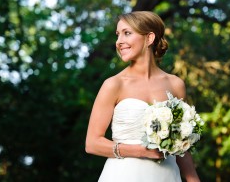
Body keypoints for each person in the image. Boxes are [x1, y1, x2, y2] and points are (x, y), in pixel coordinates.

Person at [85, 11, 200, 182]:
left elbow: (183, 147)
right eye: (118, 35)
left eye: (127, 33)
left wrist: (193, 180)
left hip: (167, 176)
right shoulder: (114, 85)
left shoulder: (176, 84)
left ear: (150, 38)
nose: (119, 42)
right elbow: (92, 143)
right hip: (123, 175)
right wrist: (141, 151)